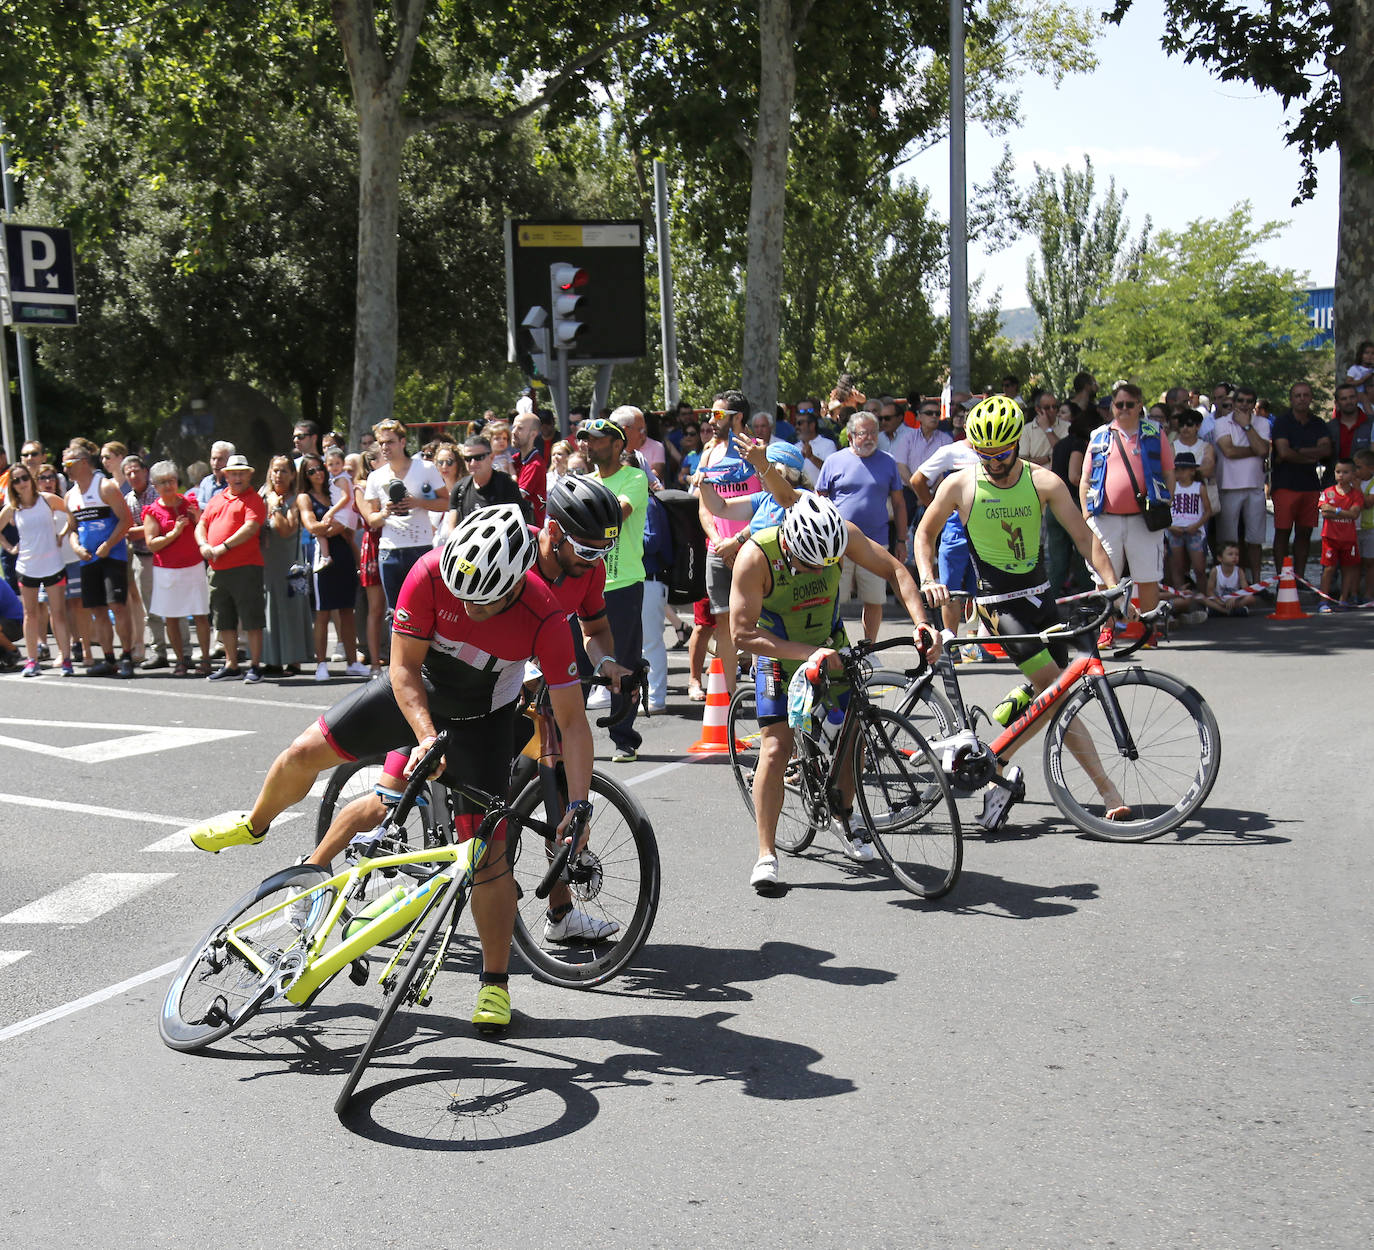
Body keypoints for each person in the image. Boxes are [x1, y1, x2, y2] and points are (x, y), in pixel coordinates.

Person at [187, 505, 597, 1032]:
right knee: (301, 753)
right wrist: (426, 736)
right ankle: (255, 823)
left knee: (489, 858)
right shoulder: (427, 572)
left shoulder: (543, 613)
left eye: (486, 600)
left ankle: (494, 985)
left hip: (484, 716)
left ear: (518, 584)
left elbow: (573, 721)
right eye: (464, 593)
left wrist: (580, 805)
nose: (472, 607)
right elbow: (402, 669)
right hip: (417, 691)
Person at [918, 395, 1128, 831]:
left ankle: (1000, 759)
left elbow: (1084, 537)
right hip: (999, 606)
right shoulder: (960, 485)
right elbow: (924, 534)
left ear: (1018, 443)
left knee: (1049, 691)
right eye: (985, 455)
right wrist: (928, 577)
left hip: (1042, 600)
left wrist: (1110, 584)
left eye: (1003, 454)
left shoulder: (1044, 481)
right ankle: (1107, 789)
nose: (994, 463)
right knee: (1060, 696)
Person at [732, 494, 940, 889]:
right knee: (777, 747)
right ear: (790, 545)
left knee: (856, 732)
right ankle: (766, 853)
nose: (818, 571)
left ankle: (844, 814)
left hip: (831, 646)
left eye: (827, 564)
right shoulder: (757, 556)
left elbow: (894, 570)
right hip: (779, 654)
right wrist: (811, 654)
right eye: (809, 564)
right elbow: (742, 634)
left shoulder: (841, 535)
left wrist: (921, 623)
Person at [1080, 383, 1176, 645]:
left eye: (1129, 404)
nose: (1123, 409)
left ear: (1139, 405)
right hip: (1105, 516)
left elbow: (1168, 471)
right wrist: (1087, 516)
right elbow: (1085, 478)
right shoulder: (1100, 435)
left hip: (1144, 518)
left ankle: (1147, 630)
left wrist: (1166, 500)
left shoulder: (1154, 432)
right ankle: (1106, 629)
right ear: (1112, 406)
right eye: (1118, 404)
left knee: (1148, 576)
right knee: (1102, 578)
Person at [581, 412, 649, 762]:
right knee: (575, 659)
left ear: (618, 444)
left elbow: (615, 513)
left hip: (622, 584)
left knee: (623, 663)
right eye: (586, 440)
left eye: (596, 439)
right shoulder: (585, 480)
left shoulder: (634, 477)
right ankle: (565, 737)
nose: (588, 445)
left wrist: (578, 504)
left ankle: (624, 738)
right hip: (584, 583)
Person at [815, 411, 908, 641]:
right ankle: (832, 644)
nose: (869, 438)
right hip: (838, 543)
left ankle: (869, 649)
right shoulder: (833, 461)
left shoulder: (887, 462)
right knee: (833, 598)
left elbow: (898, 503)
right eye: (863, 433)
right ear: (850, 435)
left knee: (874, 599)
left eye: (873, 433)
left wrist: (902, 541)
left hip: (876, 542)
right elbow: (819, 500)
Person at [64, 442, 137, 677]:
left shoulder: (105, 487)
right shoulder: (70, 495)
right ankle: (108, 658)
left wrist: (108, 544)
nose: (65, 469)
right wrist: (75, 546)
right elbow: (73, 527)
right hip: (88, 560)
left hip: (111, 555)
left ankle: (127, 656)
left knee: (118, 605)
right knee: (98, 610)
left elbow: (126, 520)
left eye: (69, 464)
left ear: (84, 463)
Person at [361, 419, 449, 612]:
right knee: (395, 612)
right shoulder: (375, 477)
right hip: (389, 550)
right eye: (381, 443)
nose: (385, 447)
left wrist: (418, 502)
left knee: (426, 608)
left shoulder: (425, 468)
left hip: (420, 547)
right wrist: (386, 511)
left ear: (402, 442)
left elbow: (446, 502)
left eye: (390, 442)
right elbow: (371, 518)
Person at [195, 452, 268, 682]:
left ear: (248, 476)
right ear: (226, 476)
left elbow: (250, 527)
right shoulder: (217, 500)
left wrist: (223, 547)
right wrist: (203, 544)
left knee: (251, 618)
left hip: (246, 566)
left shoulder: (254, 499)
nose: (237, 478)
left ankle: (255, 666)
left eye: (241, 474)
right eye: (233, 473)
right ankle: (231, 664)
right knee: (222, 617)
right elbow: (201, 524)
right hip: (217, 567)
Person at [0, 459, 73, 676]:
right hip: (27, 567)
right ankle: (32, 661)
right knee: (30, 614)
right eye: (16, 481)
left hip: (53, 565)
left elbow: (71, 512)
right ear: (12, 485)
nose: (22, 483)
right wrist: (9, 547)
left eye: (24, 478)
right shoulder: (12, 508)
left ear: (31, 480)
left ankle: (66, 659)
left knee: (58, 613)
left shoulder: (47, 500)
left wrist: (62, 534)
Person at [298, 453, 366, 678]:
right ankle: (321, 664)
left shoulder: (335, 490)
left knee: (348, 610)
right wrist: (336, 527)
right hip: (322, 560)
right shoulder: (305, 498)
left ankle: (352, 661)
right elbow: (312, 526)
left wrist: (337, 526)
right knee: (323, 613)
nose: (317, 473)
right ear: (305, 476)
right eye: (311, 471)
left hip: (343, 554)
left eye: (320, 469)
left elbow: (353, 523)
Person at [142, 461, 212, 676]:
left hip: (193, 565)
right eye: (162, 482)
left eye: (171, 481)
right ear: (154, 486)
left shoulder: (189, 503)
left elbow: (206, 529)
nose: (168, 486)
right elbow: (151, 544)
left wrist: (198, 519)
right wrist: (174, 533)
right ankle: (181, 660)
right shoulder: (153, 511)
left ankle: (206, 660)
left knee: (200, 614)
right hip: (167, 570)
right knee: (171, 617)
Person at [1270, 382, 1332, 584]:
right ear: (1291, 399)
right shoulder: (1282, 422)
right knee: (1283, 533)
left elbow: (1326, 450)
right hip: (1285, 484)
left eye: (1306, 395)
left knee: (1305, 533)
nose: (1302, 398)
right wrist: (1310, 454)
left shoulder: (1318, 423)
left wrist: (1298, 451)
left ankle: (1300, 578)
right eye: (1297, 395)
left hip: (1310, 485)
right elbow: (1283, 452)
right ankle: (1283, 579)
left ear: (1311, 398)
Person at [1212, 386, 1271, 587]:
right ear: (1234, 402)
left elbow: (1263, 450)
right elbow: (1229, 451)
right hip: (1228, 487)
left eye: (1248, 401)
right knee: (1228, 540)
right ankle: (1229, 583)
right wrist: (1255, 448)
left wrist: (1247, 427)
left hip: (1255, 486)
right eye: (1240, 401)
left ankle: (1256, 581)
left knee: (1255, 539)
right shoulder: (1220, 423)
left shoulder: (1262, 423)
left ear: (1254, 404)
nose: (1244, 405)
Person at [1315, 459, 1363, 611]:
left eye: (1345, 472)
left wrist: (1335, 510)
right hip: (1330, 537)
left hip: (1348, 538)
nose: (1341, 475)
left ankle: (1344, 599)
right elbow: (1324, 512)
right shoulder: (1328, 492)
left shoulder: (1356, 495)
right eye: (1338, 472)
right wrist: (1343, 512)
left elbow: (1354, 514)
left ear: (1353, 474)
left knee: (1348, 569)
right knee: (1328, 569)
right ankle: (1323, 601)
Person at [449, 434, 527, 524]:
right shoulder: (459, 489)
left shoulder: (507, 485)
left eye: (479, 457)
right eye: (468, 459)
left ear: (491, 457)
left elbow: (519, 522)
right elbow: (452, 529)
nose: (473, 463)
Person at [1164, 452, 1211, 602]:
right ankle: (1180, 598)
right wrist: (1170, 527)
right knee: (1177, 567)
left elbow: (1208, 511)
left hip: (1194, 530)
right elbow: (1164, 509)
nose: (1179, 472)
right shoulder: (1172, 487)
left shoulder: (1199, 487)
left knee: (1199, 568)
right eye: (1177, 469)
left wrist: (1196, 525)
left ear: (1192, 471)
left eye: (1183, 469)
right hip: (1174, 529)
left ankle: (1204, 599)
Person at [510, 408, 549, 525]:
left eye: (520, 428)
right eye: (513, 427)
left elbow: (516, 498)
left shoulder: (535, 464)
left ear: (533, 434)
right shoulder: (514, 459)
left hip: (531, 532)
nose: (513, 432)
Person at [1203, 542, 1257, 616]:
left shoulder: (1239, 571)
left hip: (1234, 600)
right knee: (1200, 597)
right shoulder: (1215, 570)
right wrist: (1219, 602)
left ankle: (1220, 611)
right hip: (1219, 599)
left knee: (1251, 598)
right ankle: (1229, 611)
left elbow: (1246, 590)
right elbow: (1209, 591)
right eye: (1230, 554)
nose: (1234, 557)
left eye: (1237, 554)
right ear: (1220, 558)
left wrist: (1235, 597)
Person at [196, 441, 235, 509]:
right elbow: (198, 504)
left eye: (220, 459)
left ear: (230, 461)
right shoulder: (206, 482)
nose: (215, 463)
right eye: (213, 459)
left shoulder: (235, 484)